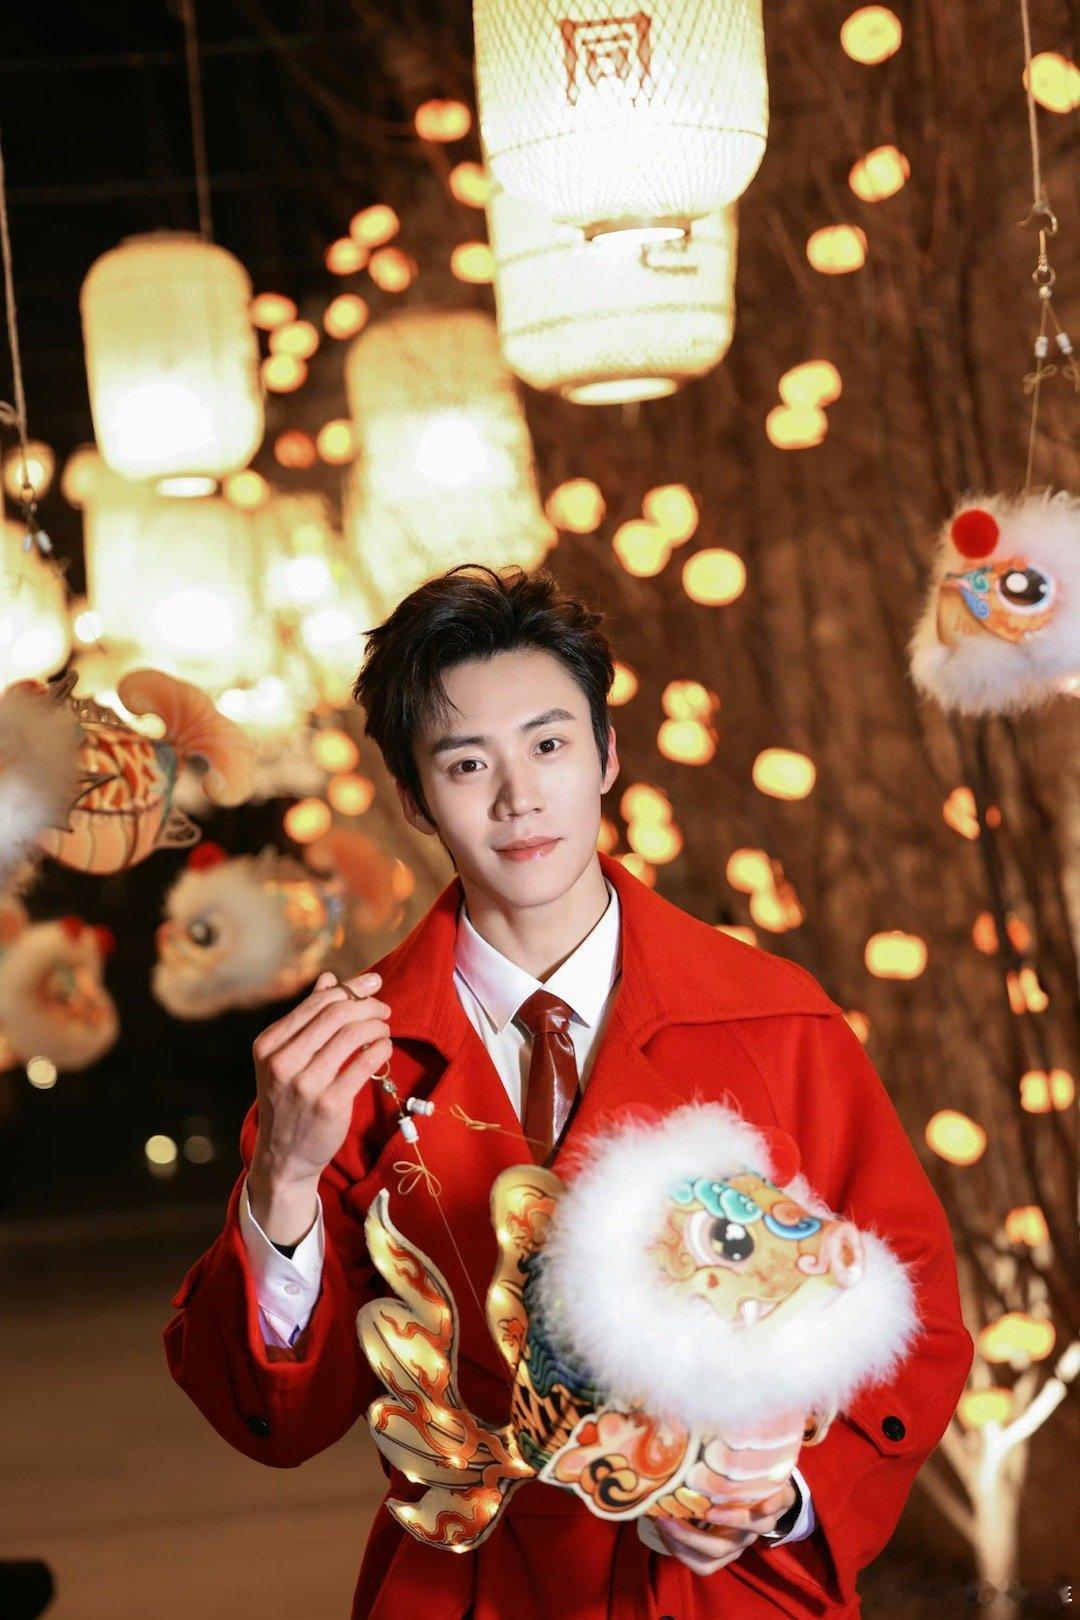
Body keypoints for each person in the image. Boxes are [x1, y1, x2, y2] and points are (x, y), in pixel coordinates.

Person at [164, 565, 973, 1620]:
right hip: (470, 1582)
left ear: (607, 754)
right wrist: (282, 1176)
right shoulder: (350, 1061)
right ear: (413, 799)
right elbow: (273, 1416)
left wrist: (773, 1500)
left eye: (548, 745)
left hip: (717, 1588)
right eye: (467, 763)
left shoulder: (776, 1020)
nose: (519, 798)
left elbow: (916, 1317)